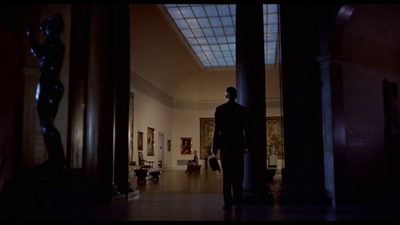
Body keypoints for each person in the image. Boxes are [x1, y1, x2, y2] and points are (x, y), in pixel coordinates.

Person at [27, 13, 67, 170]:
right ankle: (56, 157)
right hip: (52, 85)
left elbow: (37, 51)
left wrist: (30, 34)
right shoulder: (56, 44)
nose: (45, 33)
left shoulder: (53, 43)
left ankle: (57, 158)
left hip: (49, 85)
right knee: (47, 123)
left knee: (46, 123)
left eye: (46, 29)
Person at [212, 87, 250, 213]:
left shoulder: (220, 109)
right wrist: (247, 145)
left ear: (226, 96)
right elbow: (247, 130)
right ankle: (238, 202)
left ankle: (228, 203)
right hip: (238, 147)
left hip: (226, 147)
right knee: (238, 177)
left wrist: (215, 147)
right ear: (236, 95)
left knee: (227, 177)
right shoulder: (242, 110)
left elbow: (217, 130)